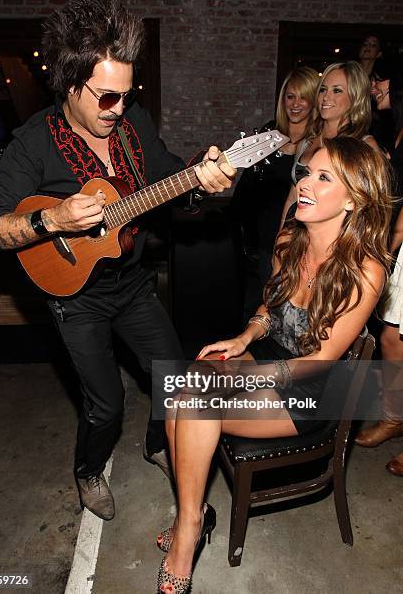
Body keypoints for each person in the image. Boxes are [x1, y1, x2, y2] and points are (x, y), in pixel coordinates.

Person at [0, 0, 236, 521]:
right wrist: (51, 222)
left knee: (172, 376)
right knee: (107, 404)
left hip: (132, 283)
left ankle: (160, 443)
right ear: (71, 87)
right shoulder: (34, 143)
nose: (118, 107)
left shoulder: (132, 120)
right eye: (106, 97)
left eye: (125, 94)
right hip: (75, 296)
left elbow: (169, 178)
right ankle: (89, 471)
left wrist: (201, 185)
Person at [156, 137, 392, 593]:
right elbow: (269, 312)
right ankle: (195, 513)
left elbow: (321, 361)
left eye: (324, 178)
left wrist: (245, 376)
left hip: (313, 389)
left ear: (354, 199)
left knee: (198, 407)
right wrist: (244, 337)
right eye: (307, 172)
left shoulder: (366, 270)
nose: (305, 183)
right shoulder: (290, 237)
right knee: (183, 388)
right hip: (269, 359)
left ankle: (187, 534)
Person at [231, 67, 319, 319]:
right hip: (254, 243)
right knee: (251, 311)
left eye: (303, 97)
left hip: (288, 243)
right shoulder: (269, 135)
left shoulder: (316, 145)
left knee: (277, 314)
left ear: (314, 101)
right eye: (290, 96)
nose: (295, 104)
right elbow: (247, 185)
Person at [355, 58, 403, 475]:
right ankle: (394, 417)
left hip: (400, 241)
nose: (374, 86)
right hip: (396, 241)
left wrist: (389, 246)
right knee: (391, 338)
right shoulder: (394, 125)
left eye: (381, 78)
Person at [280, 61, 380, 225]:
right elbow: (292, 199)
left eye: (337, 91)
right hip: (297, 238)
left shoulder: (364, 146)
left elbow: (372, 210)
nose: (326, 97)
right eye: (323, 90)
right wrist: (280, 241)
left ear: (355, 97)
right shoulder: (307, 142)